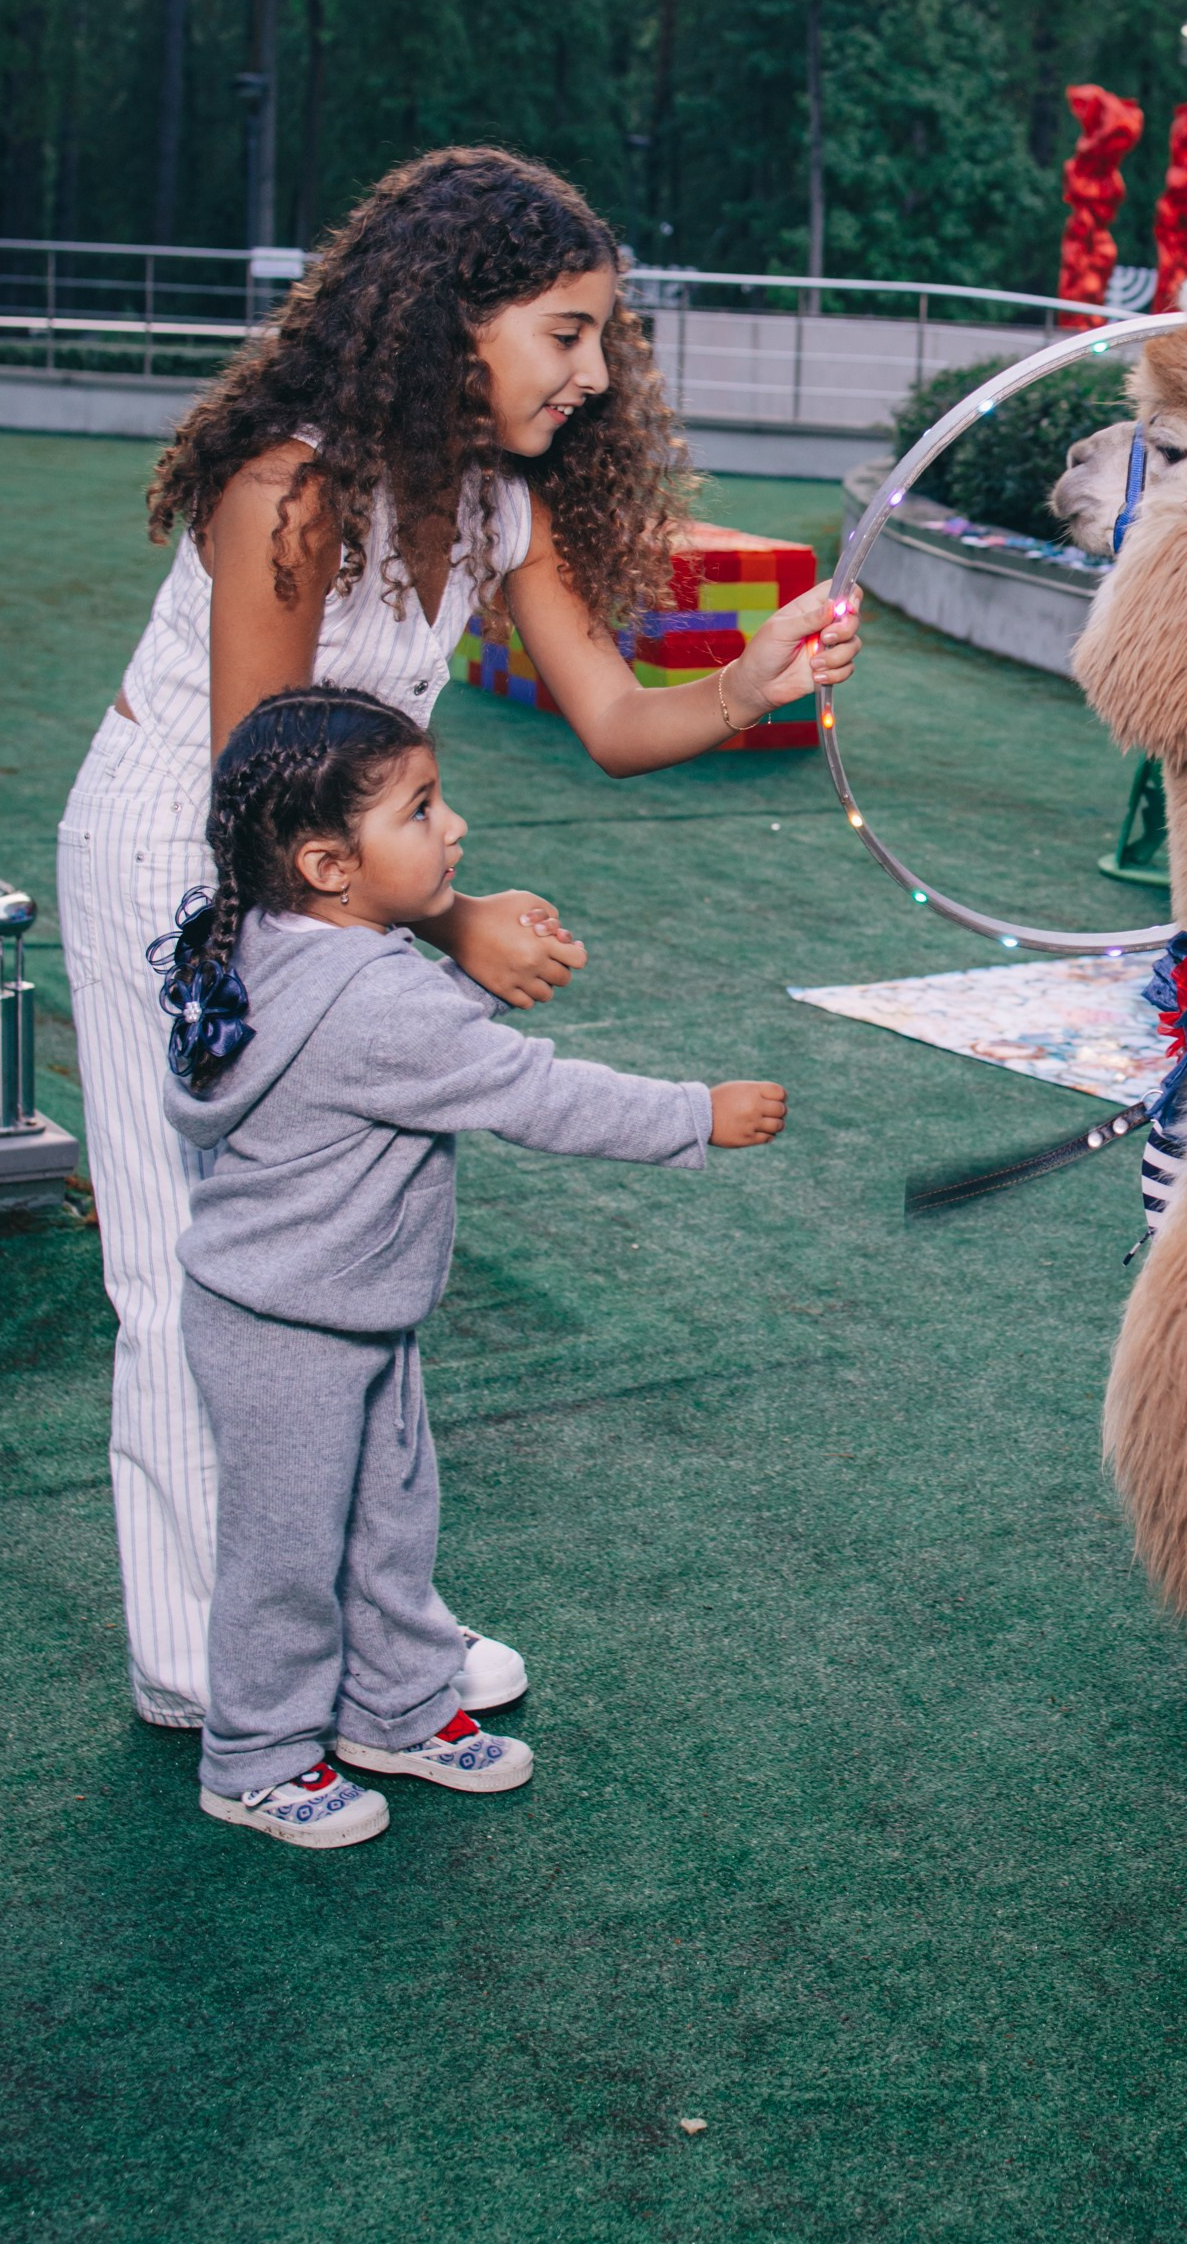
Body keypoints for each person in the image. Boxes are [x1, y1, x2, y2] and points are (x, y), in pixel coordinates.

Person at [58, 147, 859, 1730]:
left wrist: (751, 683)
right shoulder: (285, 492)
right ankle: (198, 1657)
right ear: (451, 323)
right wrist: (448, 924)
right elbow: (258, 796)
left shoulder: (492, 498)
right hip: (191, 868)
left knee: (336, 1274)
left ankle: (364, 1639)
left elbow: (620, 716)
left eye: (605, 337)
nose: (594, 371)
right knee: (189, 1271)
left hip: (332, 882)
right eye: (565, 332)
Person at [157, 685, 789, 1848]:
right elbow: (534, 1093)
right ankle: (253, 1757)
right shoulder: (379, 997)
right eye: (421, 808)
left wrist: (459, 974)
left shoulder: (278, 943)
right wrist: (695, 1114)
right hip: (289, 1326)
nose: (453, 830)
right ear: (328, 861)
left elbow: (395, 1038)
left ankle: (392, 1708)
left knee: (386, 1521)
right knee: (289, 1554)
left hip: (331, 1309)